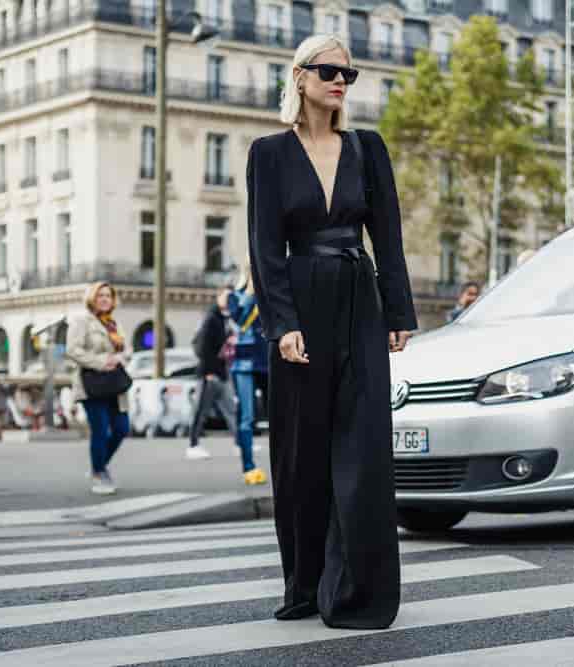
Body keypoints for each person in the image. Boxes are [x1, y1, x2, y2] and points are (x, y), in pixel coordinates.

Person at [247, 34, 417, 630]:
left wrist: (399, 314)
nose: (340, 80)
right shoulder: (268, 154)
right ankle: (304, 584)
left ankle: (359, 591)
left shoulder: (368, 149)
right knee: (300, 452)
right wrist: (282, 324)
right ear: (299, 77)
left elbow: (387, 236)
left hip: (359, 299)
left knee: (363, 448)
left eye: (348, 72)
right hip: (301, 303)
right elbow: (264, 248)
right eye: (328, 70)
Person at [66, 282, 131, 496]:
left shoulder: (113, 323)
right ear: (92, 299)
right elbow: (73, 350)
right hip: (91, 383)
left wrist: (122, 357)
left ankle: (98, 464)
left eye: (108, 296)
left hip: (114, 384)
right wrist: (102, 361)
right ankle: (99, 472)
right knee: (101, 429)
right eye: (100, 295)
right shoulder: (81, 321)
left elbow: (126, 349)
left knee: (121, 428)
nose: (104, 299)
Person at [185, 289, 242, 465]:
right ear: (218, 298)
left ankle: (240, 443)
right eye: (226, 296)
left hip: (222, 373)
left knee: (231, 409)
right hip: (209, 373)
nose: (230, 299)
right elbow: (202, 346)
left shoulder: (229, 318)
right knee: (200, 410)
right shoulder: (211, 318)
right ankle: (193, 445)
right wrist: (208, 371)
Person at [227, 266, 269, 485]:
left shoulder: (271, 290)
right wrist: (252, 295)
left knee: (282, 417)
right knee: (247, 417)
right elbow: (239, 321)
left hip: (269, 362)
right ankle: (249, 467)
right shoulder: (234, 296)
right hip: (244, 364)